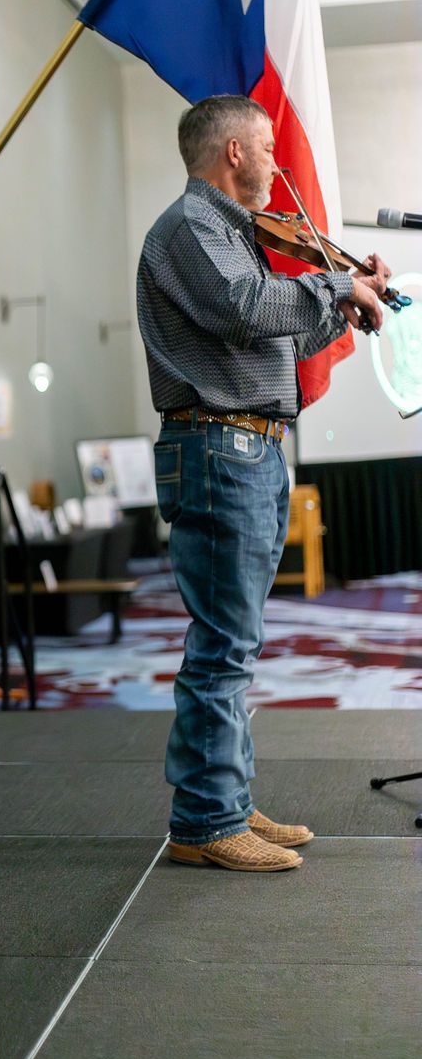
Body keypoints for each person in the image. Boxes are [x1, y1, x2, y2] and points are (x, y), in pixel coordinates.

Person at [138, 94, 389, 873]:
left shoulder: (232, 235)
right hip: (219, 448)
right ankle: (205, 821)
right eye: (270, 148)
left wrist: (347, 305)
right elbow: (246, 308)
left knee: (234, 642)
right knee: (223, 645)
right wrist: (337, 287)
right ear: (234, 152)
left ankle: (226, 800)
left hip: (246, 449)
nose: (279, 165)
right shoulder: (191, 227)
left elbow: (280, 338)